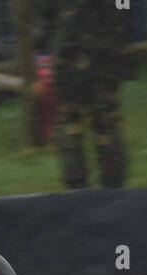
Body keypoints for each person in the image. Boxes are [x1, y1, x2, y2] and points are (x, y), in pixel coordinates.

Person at [40, 0, 137, 190]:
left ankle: (78, 184)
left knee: (72, 121)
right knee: (104, 119)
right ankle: (111, 182)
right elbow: (125, 11)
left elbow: (47, 16)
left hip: (73, 52)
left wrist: (45, 49)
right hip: (103, 51)